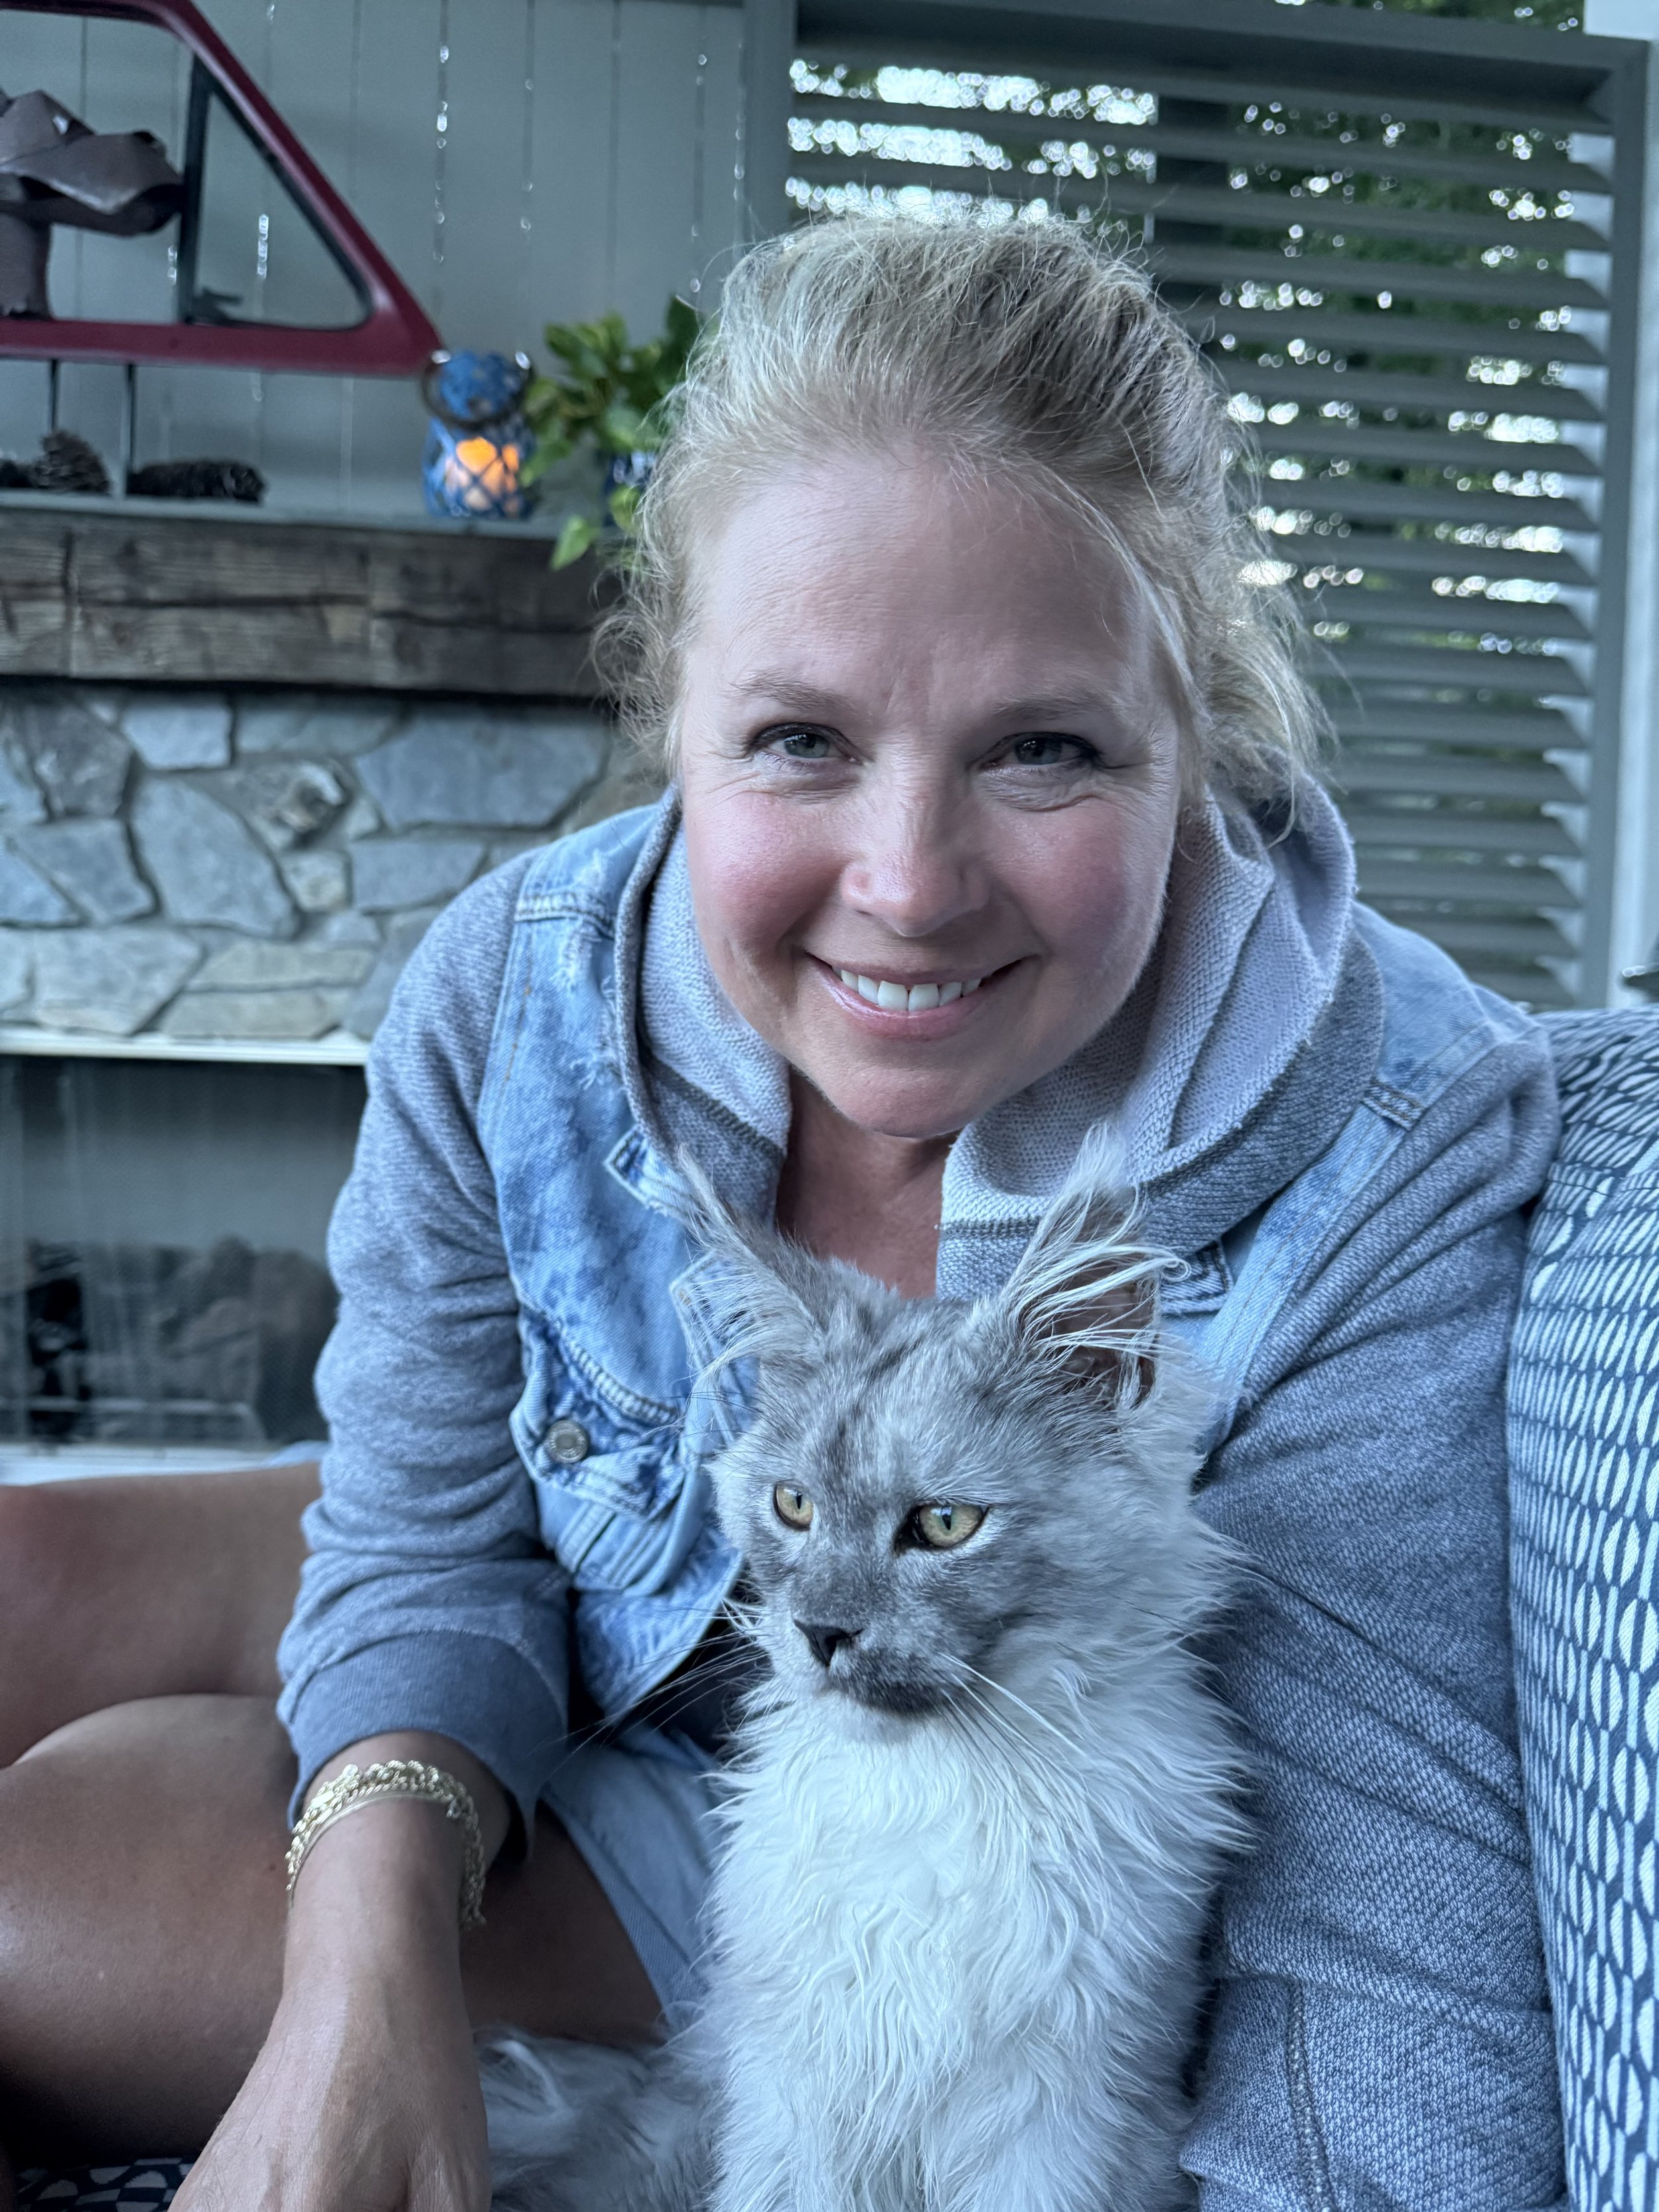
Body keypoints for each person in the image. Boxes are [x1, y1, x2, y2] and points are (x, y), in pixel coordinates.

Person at [0, 216, 1565, 2211]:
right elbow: (421, 1526)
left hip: (875, 1800)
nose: (905, 886)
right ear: (675, 724)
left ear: (1196, 749)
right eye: (800, 738)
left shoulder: (1400, 1122)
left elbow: (1383, 1943)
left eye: (1045, 749)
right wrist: (359, 1972)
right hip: (595, 1589)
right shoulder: (518, 982)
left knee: (44, 1895)